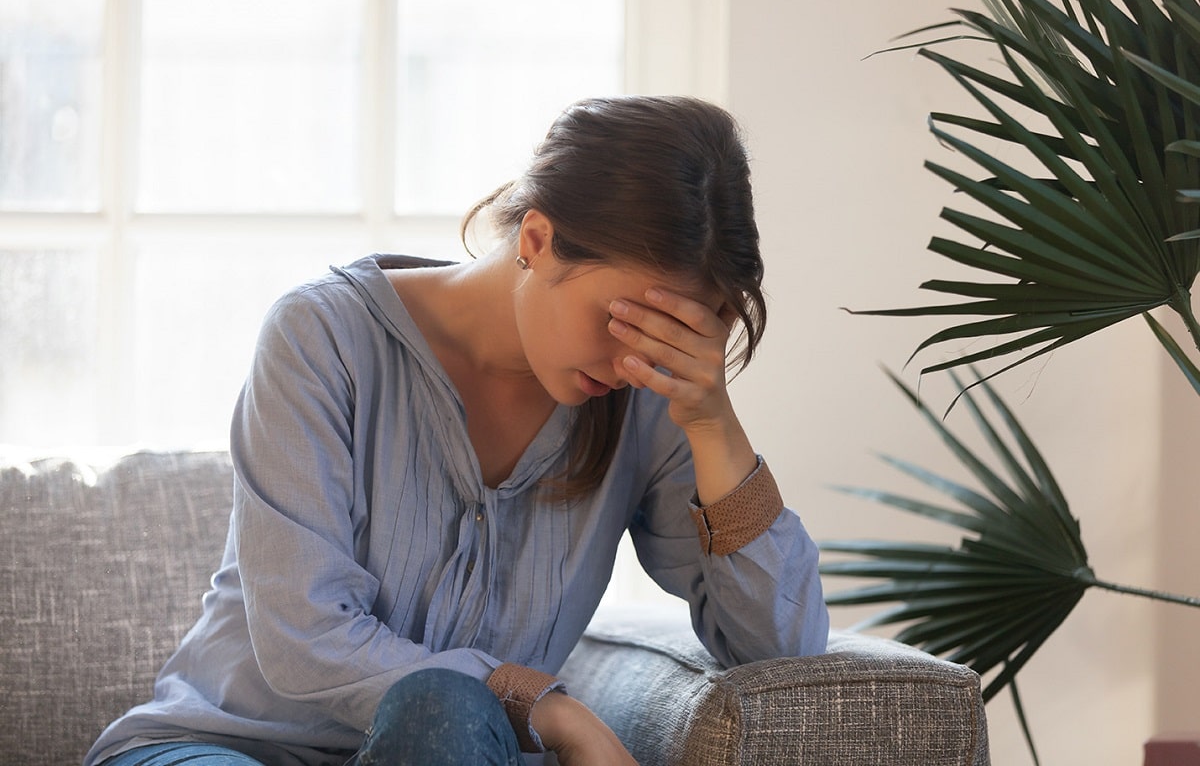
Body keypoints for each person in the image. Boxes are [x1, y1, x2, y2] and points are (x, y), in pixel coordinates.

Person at [85, 95, 829, 766]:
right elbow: (303, 637)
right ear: (535, 240)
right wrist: (545, 706)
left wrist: (711, 420)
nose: (633, 356)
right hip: (228, 746)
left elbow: (780, 655)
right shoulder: (321, 338)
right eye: (620, 318)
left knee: (443, 715)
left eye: (668, 335)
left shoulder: (644, 399)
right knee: (446, 702)